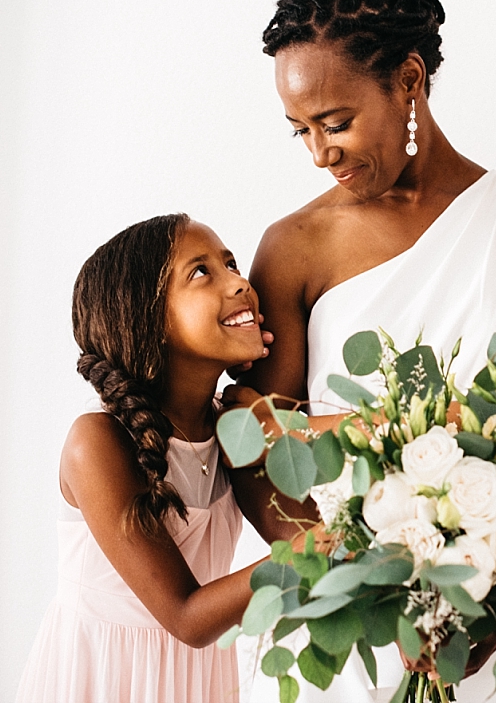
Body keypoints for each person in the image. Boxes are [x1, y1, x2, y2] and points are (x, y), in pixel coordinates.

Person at [233, 0, 496, 702]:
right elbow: (260, 446)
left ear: (410, 80)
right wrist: (360, 583)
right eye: (299, 130)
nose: (319, 152)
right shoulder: (294, 247)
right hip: (350, 624)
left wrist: (487, 597)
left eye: (335, 122)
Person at [17, 214, 298, 703]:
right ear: (149, 320)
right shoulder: (99, 441)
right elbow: (188, 616)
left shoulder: (234, 427)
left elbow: (292, 531)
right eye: (201, 272)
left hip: (198, 681)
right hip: (107, 679)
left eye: (230, 263)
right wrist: (324, 550)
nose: (239, 282)